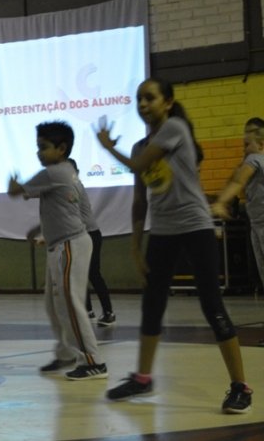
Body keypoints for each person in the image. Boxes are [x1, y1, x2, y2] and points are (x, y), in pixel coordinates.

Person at [96, 77, 252, 413]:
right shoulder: (139, 145)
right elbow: (140, 200)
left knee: (212, 306)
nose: (142, 104)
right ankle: (142, 378)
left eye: (149, 98)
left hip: (195, 228)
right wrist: (136, 247)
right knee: (152, 306)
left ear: (167, 102)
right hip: (163, 233)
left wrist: (108, 146)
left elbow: (139, 166)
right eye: (138, 99)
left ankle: (241, 387)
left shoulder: (175, 128)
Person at [8, 122, 107, 380]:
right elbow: (59, 211)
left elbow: (15, 191)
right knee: (53, 305)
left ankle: (93, 360)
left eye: (43, 147)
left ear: (61, 149)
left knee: (71, 304)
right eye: (37, 147)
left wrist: (13, 183)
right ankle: (66, 353)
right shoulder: (63, 172)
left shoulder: (53, 173)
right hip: (62, 243)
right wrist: (39, 232)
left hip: (70, 245)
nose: (38, 153)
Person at [209, 125, 264, 345]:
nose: (244, 149)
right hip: (257, 224)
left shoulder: (255, 160)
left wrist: (221, 201)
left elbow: (238, 181)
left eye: (247, 144)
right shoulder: (252, 161)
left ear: (261, 144)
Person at [68, 159, 116, 327]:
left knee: (93, 274)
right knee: (80, 273)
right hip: (81, 235)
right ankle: (88, 310)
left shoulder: (74, 186)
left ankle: (109, 313)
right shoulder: (72, 186)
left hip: (90, 234)